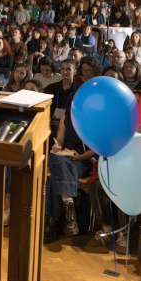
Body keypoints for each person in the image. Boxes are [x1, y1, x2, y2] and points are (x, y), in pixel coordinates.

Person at [44, 104, 95, 243]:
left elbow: (97, 147)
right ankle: (69, 212)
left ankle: (51, 224)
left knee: (56, 176)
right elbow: (60, 139)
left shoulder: (94, 117)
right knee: (57, 159)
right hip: (62, 156)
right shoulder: (66, 118)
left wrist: (80, 157)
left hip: (82, 159)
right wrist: (58, 146)